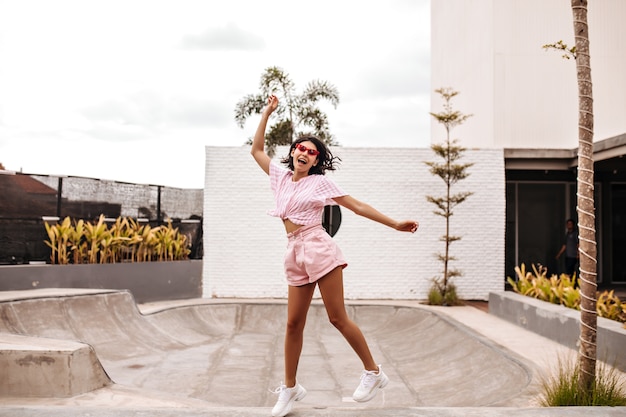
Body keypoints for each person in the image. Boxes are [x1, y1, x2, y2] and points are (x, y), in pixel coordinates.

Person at [251, 95, 419, 417]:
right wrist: (266, 113)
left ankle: (373, 372)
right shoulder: (281, 177)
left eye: (312, 152)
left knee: (336, 317)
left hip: (318, 248)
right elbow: (256, 150)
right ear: (293, 152)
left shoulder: (320, 183)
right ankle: (290, 388)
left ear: (316, 161)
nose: (304, 153)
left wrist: (394, 223)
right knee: (292, 324)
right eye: (301, 148)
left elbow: (356, 206)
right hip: (294, 252)